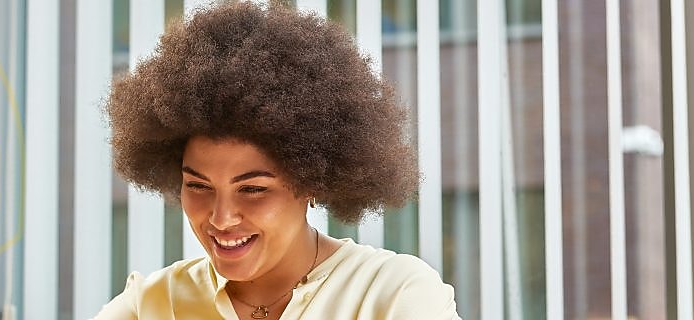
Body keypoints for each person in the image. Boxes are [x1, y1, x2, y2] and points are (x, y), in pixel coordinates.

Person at [94, 1, 459, 319]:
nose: (221, 218)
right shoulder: (151, 304)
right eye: (198, 186)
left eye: (252, 189)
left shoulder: (394, 295)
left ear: (311, 181)